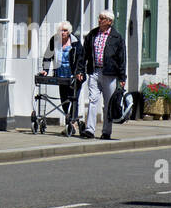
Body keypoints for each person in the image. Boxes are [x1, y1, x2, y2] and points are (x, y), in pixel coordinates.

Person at [80, 10, 127, 140]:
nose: (99, 20)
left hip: (110, 74)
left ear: (110, 21)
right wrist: (80, 69)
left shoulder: (117, 37)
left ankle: (106, 131)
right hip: (94, 72)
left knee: (108, 104)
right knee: (93, 100)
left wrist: (122, 77)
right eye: (99, 17)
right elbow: (85, 53)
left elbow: (122, 58)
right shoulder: (93, 34)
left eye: (103, 18)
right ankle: (89, 130)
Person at [40, 21, 84, 130]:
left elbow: (81, 59)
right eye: (61, 30)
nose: (63, 33)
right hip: (60, 75)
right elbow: (47, 56)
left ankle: (72, 122)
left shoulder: (75, 42)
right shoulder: (54, 40)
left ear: (69, 32)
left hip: (74, 75)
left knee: (74, 98)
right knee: (64, 99)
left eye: (65, 31)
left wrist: (79, 72)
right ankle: (68, 120)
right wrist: (45, 70)